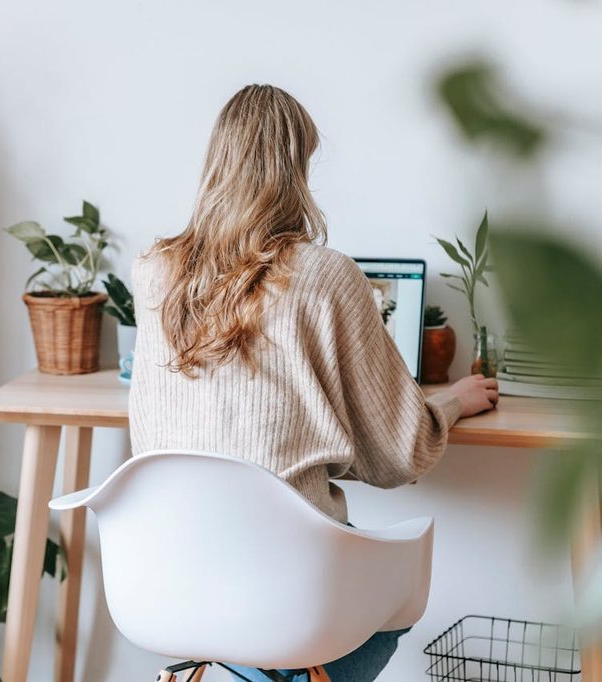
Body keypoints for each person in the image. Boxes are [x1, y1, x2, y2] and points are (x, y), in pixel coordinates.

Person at [128, 84, 499, 682]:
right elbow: (400, 455)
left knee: (263, 586)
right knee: (400, 591)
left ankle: (242, 670)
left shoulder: (152, 275)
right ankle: (282, 674)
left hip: (174, 571)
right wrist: (451, 402)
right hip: (286, 589)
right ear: (296, 168)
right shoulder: (326, 276)